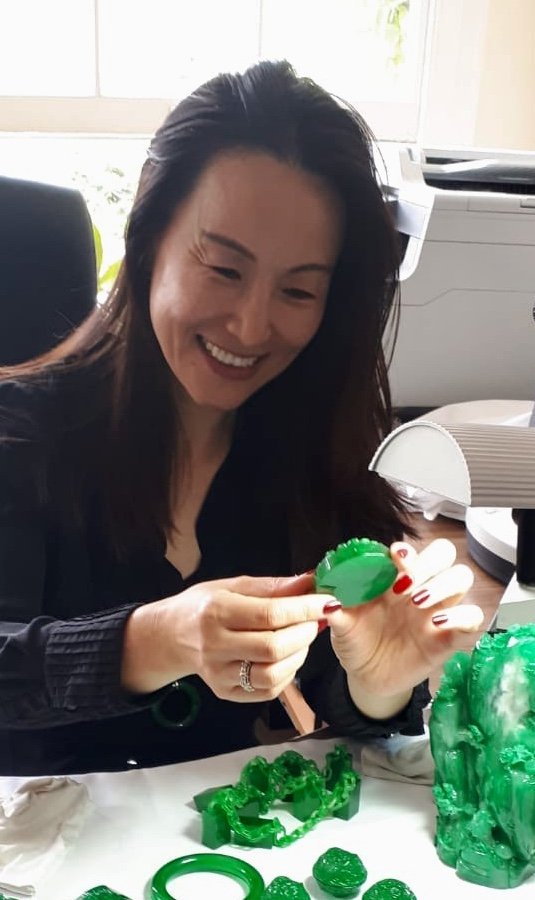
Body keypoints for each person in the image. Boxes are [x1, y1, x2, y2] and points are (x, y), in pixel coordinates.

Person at [0, 60, 483, 776]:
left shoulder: (310, 465)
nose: (252, 327)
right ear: (149, 235)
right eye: (223, 269)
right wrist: (154, 639)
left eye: (297, 291)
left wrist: (378, 685)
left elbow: (350, 714)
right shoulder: (21, 438)